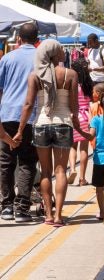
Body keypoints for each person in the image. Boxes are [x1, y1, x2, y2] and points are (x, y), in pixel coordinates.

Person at [14, 39, 79, 227]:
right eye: (61, 50)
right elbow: (73, 108)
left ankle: (48, 215)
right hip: (63, 124)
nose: (63, 53)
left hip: (41, 124)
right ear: (56, 54)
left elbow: (28, 105)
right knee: (61, 171)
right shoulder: (70, 75)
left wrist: (20, 131)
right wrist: (81, 129)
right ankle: (59, 216)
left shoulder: (35, 76)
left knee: (45, 172)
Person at [0, 23, 39, 222]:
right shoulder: (41, 59)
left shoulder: (7, 58)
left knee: (6, 162)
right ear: (37, 38)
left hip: (6, 114)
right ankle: (22, 208)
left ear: (19, 39)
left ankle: (6, 207)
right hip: (31, 116)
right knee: (27, 161)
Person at [76, 93, 104, 220]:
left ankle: (101, 211)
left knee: (99, 188)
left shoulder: (96, 119)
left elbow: (90, 136)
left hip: (99, 159)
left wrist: (79, 129)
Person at [68, 57, 93, 186]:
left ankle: (72, 169)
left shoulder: (73, 85)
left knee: (72, 146)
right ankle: (82, 178)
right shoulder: (89, 84)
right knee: (84, 149)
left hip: (75, 117)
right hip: (86, 117)